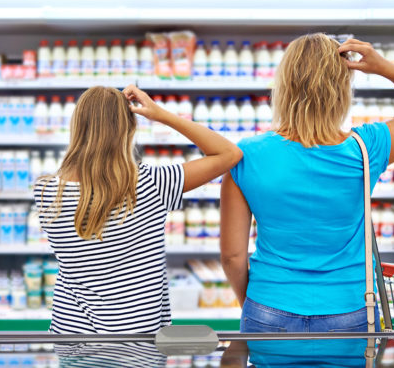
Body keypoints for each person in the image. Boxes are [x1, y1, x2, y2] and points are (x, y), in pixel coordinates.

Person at [219, 34, 394, 332]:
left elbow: (232, 256)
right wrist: (385, 68)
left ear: (283, 85)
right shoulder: (366, 147)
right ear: (342, 87)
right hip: (349, 305)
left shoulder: (245, 154)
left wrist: (255, 303)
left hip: (269, 303)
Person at [34, 85, 241, 333]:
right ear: (129, 130)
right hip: (137, 339)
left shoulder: (46, 191)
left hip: (71, 336)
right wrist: (161, 114)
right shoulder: (152, 183)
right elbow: (229, 153)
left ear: (76, 127)